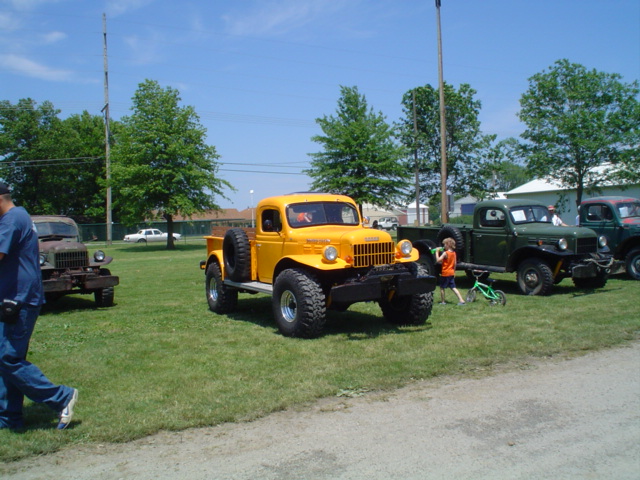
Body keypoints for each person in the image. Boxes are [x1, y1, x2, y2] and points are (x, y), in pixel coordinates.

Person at [0, 182, 78, 430]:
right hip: (14, 298)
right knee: (6, 360)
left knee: (7, 358)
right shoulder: (20, 216)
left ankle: (60, 397)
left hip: (18, 299)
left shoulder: (12, 220)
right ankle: (9, 418)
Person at [434, 237, 465, 306]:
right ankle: (461, 300)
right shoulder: (454, 253)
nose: (444, 246)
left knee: (442, 287)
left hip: (445, 273)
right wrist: (454, 272)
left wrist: (436, 252)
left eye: (444, 244)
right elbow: (454, 264)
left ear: (448, 244)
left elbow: (438, 260)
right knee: (453, 287)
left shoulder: (445, 253)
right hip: (451, 272)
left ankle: (443, 302)